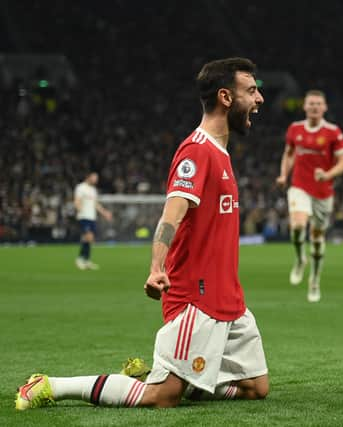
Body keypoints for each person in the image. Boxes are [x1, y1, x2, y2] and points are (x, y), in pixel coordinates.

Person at [16, 57, 269, 410]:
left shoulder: (220, 151)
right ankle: (49, 385)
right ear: (226, 97)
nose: (259, 99)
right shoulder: (196, 150)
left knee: (256, 388)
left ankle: (157, 376)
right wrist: (156, 267)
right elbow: (171, 215)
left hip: (229, 297)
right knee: (161, 398)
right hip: (197, 296)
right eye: (252, 90)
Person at [275, 90, 343, 302]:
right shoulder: (295, 129)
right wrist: (283, 175)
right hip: (299, 186)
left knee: (317, 239)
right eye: (311, 104)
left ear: (324, 107)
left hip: (323, 193)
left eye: (318, 104)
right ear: (304, 106)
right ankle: (300, 259)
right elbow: (288, 154)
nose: (314, 107)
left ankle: (314, 279)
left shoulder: (333, 132)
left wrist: (327, 174)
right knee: (298, 226)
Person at [74, 172, 113, 270]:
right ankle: (80, 259)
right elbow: (77, 200)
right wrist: (78, 208)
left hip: (92, 217)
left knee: (88, 239)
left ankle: (86, 260)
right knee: (89, 237)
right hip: (83, 216)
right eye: (94, 177)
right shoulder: (80, 187)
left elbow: (96, 204)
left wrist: (105, 213)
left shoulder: (93, 190)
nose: (96, 180)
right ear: (88, 177)